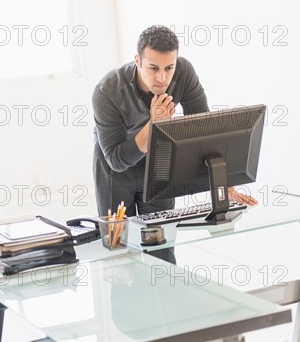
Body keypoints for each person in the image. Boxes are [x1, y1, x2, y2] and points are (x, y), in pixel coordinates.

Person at [92, 25, 257, 217]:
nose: (162, 78)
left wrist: (223, 182)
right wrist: (154, 125)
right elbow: (116, 160)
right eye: (153, 68)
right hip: (116, 167)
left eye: (169, 68)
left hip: (158, 162)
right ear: (138, 61)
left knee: (161, 238)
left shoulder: (184, 72)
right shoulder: (106, 91)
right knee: (118, 241)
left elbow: (204, 132)